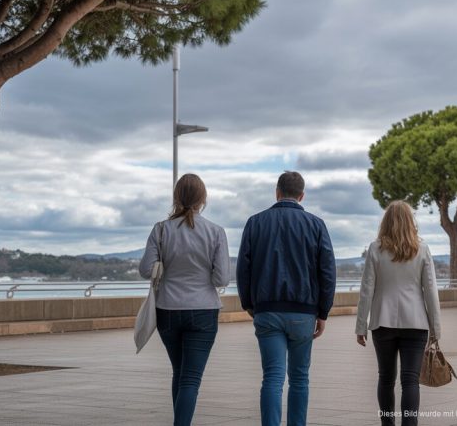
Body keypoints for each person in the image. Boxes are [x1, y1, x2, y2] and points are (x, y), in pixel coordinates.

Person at [237, 171, 336, 426]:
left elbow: (243, 269)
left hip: (267, 310)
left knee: (272, 377)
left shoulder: (255, 222)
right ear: (302, 196)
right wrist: (323, 312)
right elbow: (327, 272)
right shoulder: (316, 225)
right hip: (304, 312)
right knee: (300, 378)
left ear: (277, 191)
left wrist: (249, 303)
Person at [138, 173, 230, 426]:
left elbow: (146, 269)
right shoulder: (215, 231)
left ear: (176, 197)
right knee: (190, 378)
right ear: (203, 198)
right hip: (203, 310)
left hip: (168, 309)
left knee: (179, 373)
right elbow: (222, 278)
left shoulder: (160, 230)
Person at [355, 201, 442, 426]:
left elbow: (366, 290)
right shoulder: (422, 249)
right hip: (416, 322)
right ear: (411, 221)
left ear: (386, 222)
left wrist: (361, 326)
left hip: (382, 323)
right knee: (410, 380)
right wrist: (436, 328)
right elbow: (430, 291)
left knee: (385, 378)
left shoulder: (375, 248)